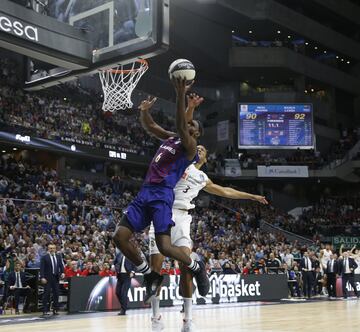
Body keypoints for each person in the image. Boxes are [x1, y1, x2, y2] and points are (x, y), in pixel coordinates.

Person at [112, 78, 209, 303]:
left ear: (195, 134)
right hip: (145, 192)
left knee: (165, 247)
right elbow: (151, 127)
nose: (189, 124)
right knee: (119, 236)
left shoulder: (190, 147)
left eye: (192, 125)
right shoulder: (171, 139)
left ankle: (197, 266)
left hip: (162, 195)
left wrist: (180, 94)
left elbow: (181, 125)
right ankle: (150, 274)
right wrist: (144, 112)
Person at [40, 243, 64, 316]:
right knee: (46, 294)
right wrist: (42, 277)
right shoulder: (44, 257)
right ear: (48, 249)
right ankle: (45, 310)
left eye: (53, 248)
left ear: (55, 249)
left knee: (56, 294)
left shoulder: (58, 256)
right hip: (47, 278)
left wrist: (63, 272)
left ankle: (55, 310)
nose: (52, 249)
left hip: (56, 278)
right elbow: (42, 268)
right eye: (50, 248)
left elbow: (61, 266)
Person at [113, 249, 136, 316]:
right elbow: (115, 262)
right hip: (120, 275)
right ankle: (125, 302)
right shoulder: (119, 254)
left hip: (127, 276)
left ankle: (123, 310)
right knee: (117, 292)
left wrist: (132, 272)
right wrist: (113, 266)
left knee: (123, 293)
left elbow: (135, 264)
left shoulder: (131, 255)